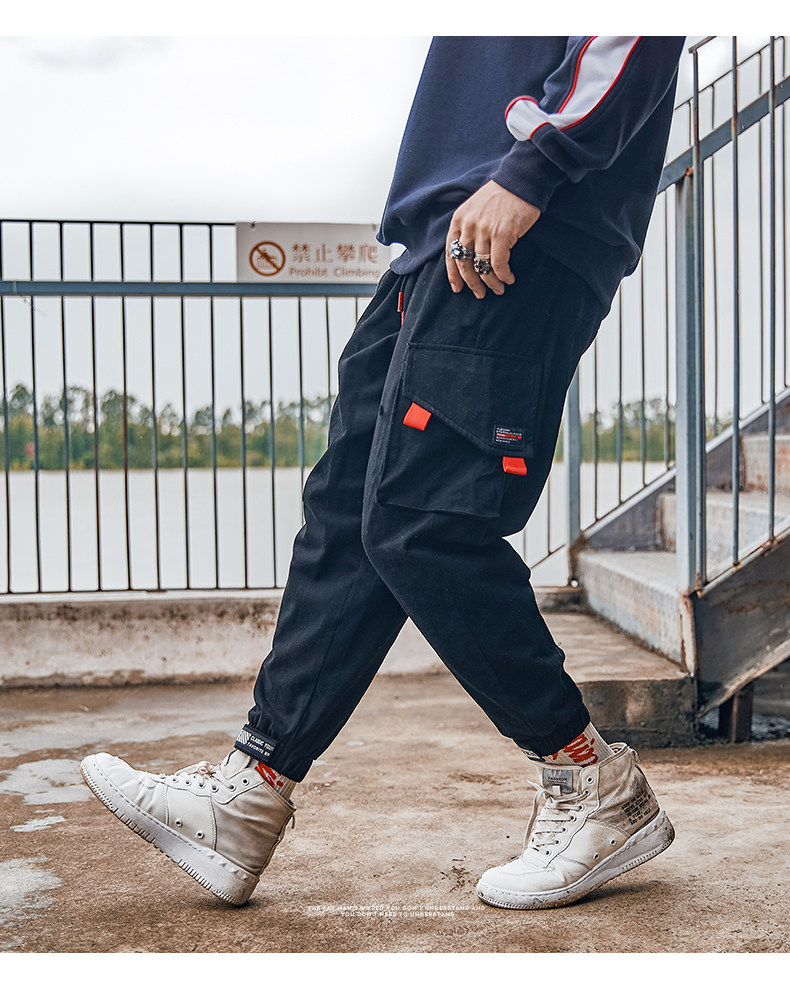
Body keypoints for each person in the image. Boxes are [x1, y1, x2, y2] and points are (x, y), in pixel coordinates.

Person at [81, 36, 686, 911]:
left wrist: (535, 166)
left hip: (523, 227)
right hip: (435, 239)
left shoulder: (535, 179)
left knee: (424, 522)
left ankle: (591, 779)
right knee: (345, 518)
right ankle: (250, 791)